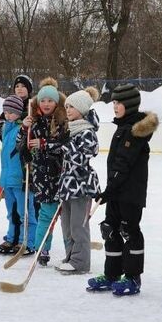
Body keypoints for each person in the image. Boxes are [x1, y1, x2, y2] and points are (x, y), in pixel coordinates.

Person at [87, 83, 158, 296]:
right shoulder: (123, 127)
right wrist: (110, 190)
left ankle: (132, 277)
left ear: (130, 105)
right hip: (117, 191)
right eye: (114, 102)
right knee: (111, 230)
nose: (115, 106)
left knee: (129, 232)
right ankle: (112, 274)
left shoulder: (135, 131)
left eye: (119, 103)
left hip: (130, 194)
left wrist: (109, 190)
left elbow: (123, 164)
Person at [19, 78, 68, 266]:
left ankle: (71, 251)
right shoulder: (34, 122)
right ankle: (42, 248)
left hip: (62, 175)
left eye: (50, 100)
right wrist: (24, 128)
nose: (46, 104)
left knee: (67, 217)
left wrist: (45, 143)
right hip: (42, 176)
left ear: (56, 102)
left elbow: (66, 145)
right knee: (46, 214)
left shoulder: (64, 121)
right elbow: (20, 146)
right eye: (43, 100)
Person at [56, 87, 101, 274]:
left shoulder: (88, 132)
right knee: (66, 225)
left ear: (82, 109)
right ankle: (71, 256)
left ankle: (81, 262)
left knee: (78, 226)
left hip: (81, 186)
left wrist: (66, 145)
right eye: (66, 106)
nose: (67, 110)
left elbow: (82, 159)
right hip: (67, 185)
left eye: (71, 107)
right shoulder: (70, 129)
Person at [0, 95, 36, 254]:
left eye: (11, 112)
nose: (8, 115)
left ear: (19, 112)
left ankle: (28, 241)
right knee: (11, 212)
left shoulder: (23, 127)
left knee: (24, 212)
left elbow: (25, 145)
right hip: (7, 178)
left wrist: (25, 127)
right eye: (5, 112)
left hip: (21, 178)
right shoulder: (7, 127)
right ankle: (12, 238)